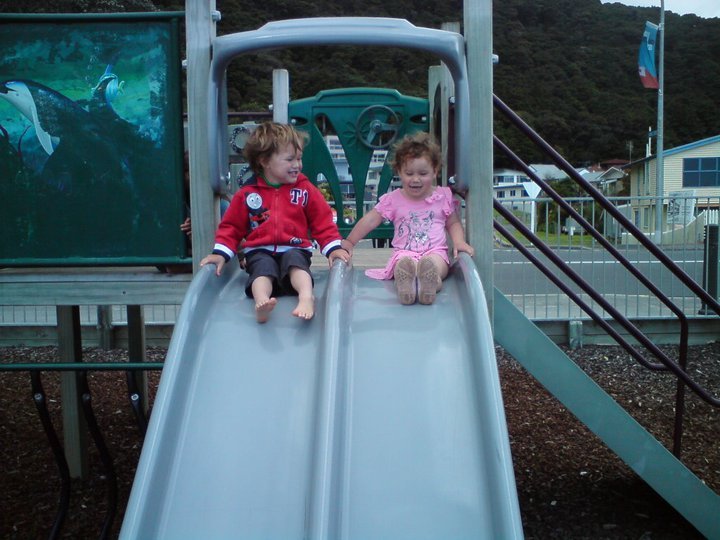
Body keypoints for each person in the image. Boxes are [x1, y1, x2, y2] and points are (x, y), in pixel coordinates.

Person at [200, 122, 350, 323]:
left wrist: (333, 248)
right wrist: (221, 254)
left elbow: (321, 221)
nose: (297, 165)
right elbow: (232, 227)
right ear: (264, 161)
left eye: (299, 158)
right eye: (289, 159)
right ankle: (262, 302)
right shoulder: (248, 193)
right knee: (262, 270)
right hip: (260, 249)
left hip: (294, 246)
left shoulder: (305, 190)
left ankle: (306, 297)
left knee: (296, 264)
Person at [342, 132, 474, 305]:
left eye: (423, 173)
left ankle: (430, 283)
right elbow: (370, 220)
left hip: (435, 251)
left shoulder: (442, 196)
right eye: (409, 173)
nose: (416, 179)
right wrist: (350, 242)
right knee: (403, 264)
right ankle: (406, 284)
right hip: (404, 253)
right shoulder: (393, 199)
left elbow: (453, 222)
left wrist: (459, 242)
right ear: (399, 172)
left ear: (435, 171)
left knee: (434, 264)